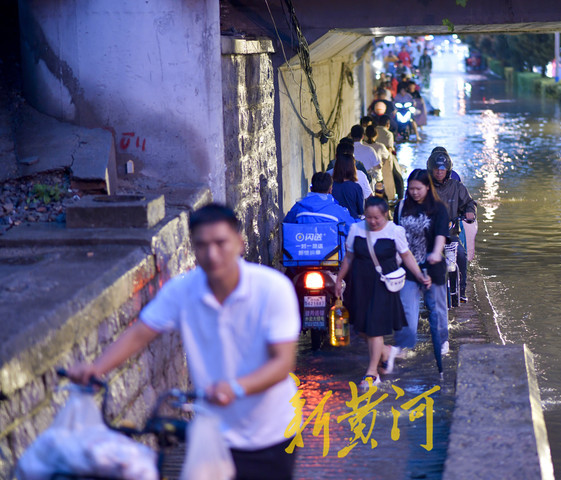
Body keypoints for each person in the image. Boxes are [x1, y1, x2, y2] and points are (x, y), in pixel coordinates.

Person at [68, 203, 300, 479]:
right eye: (202, 245)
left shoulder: (272, 288)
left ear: (239, 243)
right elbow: (140, 333)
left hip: (270, 434)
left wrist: (235, 388)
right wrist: (96, 369)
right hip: (212, 433)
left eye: (220, 243)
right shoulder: (183, 290)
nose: (212, 254)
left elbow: (282, 363)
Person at [334, 196, 430, 385]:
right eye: (369, 217)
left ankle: (372, 373)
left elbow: (406, 255)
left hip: (383, 285)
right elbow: (349, 257)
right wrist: (339, 279)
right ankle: (386, 352)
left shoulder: (395, 231)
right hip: (360, 284)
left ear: (386, 214)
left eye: (377, 217)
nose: (373, 221)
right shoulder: (356, 229)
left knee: (374, 328)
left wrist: (419, 275)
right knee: (360, 327)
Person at [393, 169, 450, 368]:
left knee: (437, 308)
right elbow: (395, 233)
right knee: (407, 308)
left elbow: (441, 234)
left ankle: (442, 340)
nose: (414, 192)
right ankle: (404, 344)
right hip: (407, 267)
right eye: (411, 189)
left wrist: (436, 252)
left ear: (427, 187)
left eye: (418, 188)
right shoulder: (401, 207)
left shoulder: (438, 208)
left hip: (432, 266)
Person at [427, 150, 476, 303]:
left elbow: (469, 203)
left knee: (461, 255)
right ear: (431, 170)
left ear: (447, 170)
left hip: (450, 233)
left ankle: (461, 290)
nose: (439, 172)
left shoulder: (457, 187)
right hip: (430, 235)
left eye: (442, 169)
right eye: (436, 169)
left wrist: (469, 212)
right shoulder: (424, 186)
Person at [284, 172, 357, 236]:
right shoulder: (338, 211)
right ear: (330, 190)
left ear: (311, 189)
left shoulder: (297, 208)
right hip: (333, 251)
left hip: (302, 250)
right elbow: (352, 228)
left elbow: (286, 224)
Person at [330, 144, 366, 218]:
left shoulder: (331, 186)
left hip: (335, 221)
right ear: (352, 168)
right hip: (352, 222)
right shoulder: (356, 187)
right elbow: (360, 210)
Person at [364, 125, 395, 200]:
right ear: (376, 135)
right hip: (377, 177)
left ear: (365, 135)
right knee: (379, 200)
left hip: (364, 178)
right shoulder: (380, 146)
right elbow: (387, 156)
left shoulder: (363, 146)